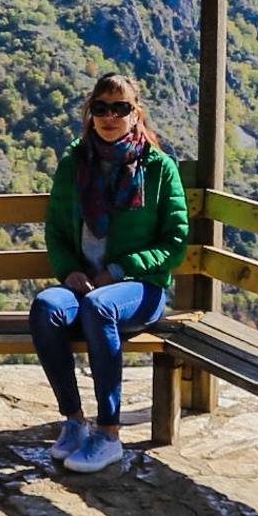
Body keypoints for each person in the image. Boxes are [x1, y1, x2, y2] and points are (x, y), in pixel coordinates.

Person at [31, 73, 189, 474]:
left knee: (101, 307)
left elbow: (175, 243)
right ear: (91, 113)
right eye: (101, 107)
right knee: (46, 307)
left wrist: (120, 270)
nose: (110, 116)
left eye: (120, 108)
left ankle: (109, 433)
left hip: (140, 289)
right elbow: (55, 230)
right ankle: (73, 421)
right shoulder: (74, 162)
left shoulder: (159, 169)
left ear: (136, 113)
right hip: (84, 286)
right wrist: (68, 272)